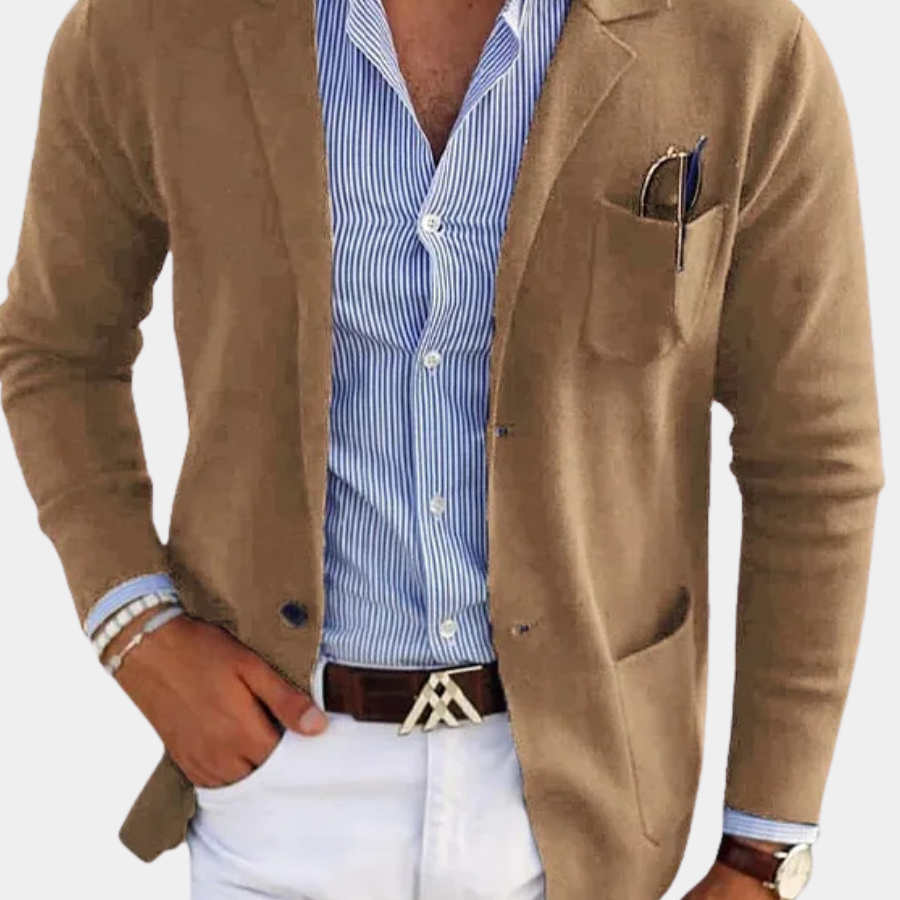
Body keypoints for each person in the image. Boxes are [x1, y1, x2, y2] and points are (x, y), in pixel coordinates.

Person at [0, 0, 884, 898]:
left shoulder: (738, 43)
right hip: (275, 788)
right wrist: (136, 627)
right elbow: (57, 349)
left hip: (593, 803)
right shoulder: (151, 27)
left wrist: (764, 852)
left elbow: (813, 455)